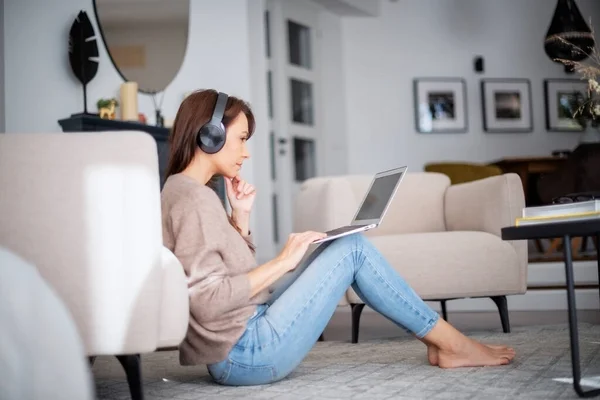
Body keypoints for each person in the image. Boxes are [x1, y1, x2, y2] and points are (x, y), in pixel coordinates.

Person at [160, 89, 516, 387]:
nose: (246, 152)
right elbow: (207, 300)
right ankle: (451, 343)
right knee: (352, 250)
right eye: (240, 140)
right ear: (211, 135)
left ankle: (441, 343)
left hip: (240, 336)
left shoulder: (188, 191)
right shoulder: (193, 199)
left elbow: (226, 275)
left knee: (341, 247)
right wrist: (283, 261)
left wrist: (240, 217)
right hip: (245, 354)